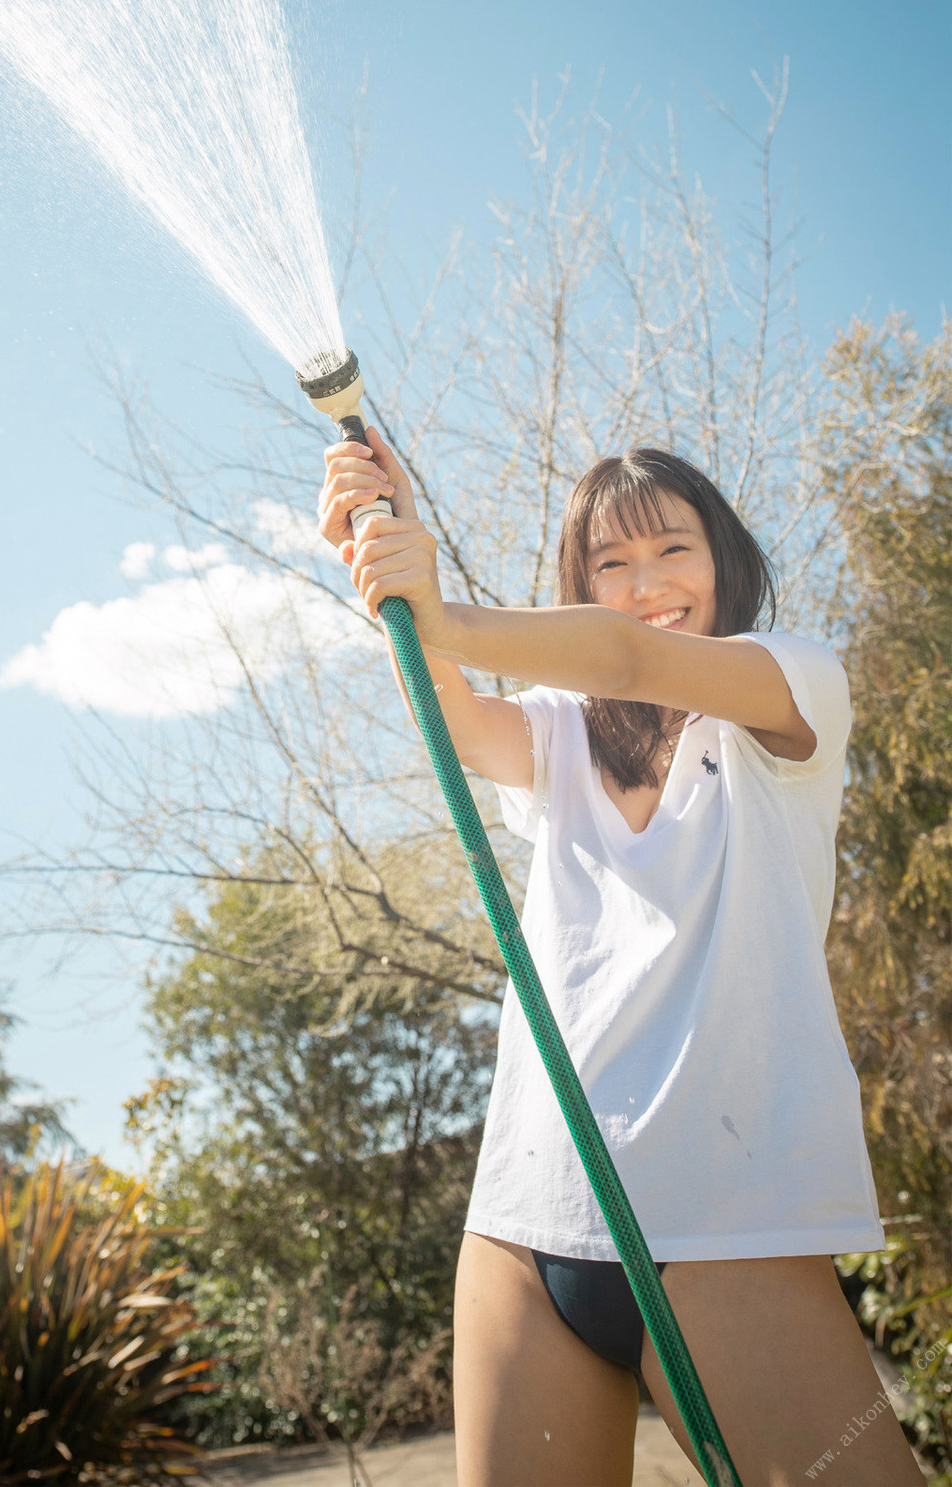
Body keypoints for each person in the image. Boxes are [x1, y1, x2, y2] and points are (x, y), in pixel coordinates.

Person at [317, 434, 921, 1487]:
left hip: (723, 1223)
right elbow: (453, 712)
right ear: (579, 582)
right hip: (528, 1218)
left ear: (724, 560)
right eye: (609, 565)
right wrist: (390, 559)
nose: (645, 586)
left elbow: (628, 656)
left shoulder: (791, 692)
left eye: (672, 550)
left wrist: (446, 608)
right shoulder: (557, 733)